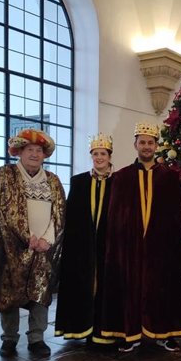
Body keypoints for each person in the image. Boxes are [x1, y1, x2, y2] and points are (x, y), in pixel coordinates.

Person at [0, 128, 65, 358]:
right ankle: (9, 338)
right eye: (29, 150)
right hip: (11, 246)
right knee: (8, 291)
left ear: (44, 155)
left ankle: (37, 338)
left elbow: (59, 214)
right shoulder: (5, 175)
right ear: (19, 152)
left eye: (39, 150)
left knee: (41, 293)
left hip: (43, 248)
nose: (34, 154)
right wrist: (25, 236)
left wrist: (46, 240)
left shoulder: (52, 180)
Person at [101, 122, 181, 352]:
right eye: (142, 142)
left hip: (161, 247)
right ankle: (130, 334)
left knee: (163, 289)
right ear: (135, 145)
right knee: (130, 288)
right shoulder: (121, 177)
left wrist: (174, 245)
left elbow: (175, 215)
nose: (147, 146)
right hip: (130, 247)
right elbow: (115, 216)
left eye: (150, 142)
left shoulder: (170, 177)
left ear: (157, 145)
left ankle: (165, 333)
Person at [54, 133, 116, 347]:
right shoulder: (79, 181)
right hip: (83, 246)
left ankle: (104, 330)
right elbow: (71, 216)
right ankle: (82, 328)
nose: (99, 158)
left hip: (109, 247)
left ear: (109, 156)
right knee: (82, 285)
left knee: (109, 288)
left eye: (103, 154)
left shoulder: (119, 182)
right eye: (95, 154)